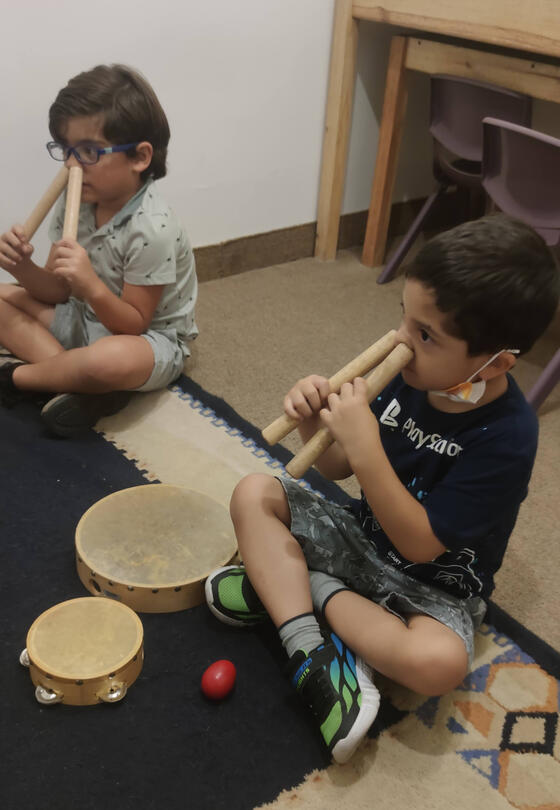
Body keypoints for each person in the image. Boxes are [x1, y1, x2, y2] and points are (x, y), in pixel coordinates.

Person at [204, 214, 560, 764]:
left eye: (426, 335)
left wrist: (367, 444)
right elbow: (337, 466)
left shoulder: (509, 436)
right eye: (404, 317)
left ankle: (303, 590)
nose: (400, 340)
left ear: (496, 363)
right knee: (254, 492)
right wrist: (315, 418)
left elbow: (421, 544)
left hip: (435, 587)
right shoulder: (406, 374)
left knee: (437, 665)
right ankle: (310, 654)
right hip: (362, 539)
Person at [0, 64, 197, 436]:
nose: (71, 164)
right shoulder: (77, 199)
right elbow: (56, 292)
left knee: (108, 361)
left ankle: (19, 378)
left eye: (89, 151)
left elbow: (134, 323)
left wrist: (90, 285)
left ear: (139, 157)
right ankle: (80, 384)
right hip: (83, 317)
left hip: (144, 340)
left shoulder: (153, 228)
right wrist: (21, 267)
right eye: (66, 149)